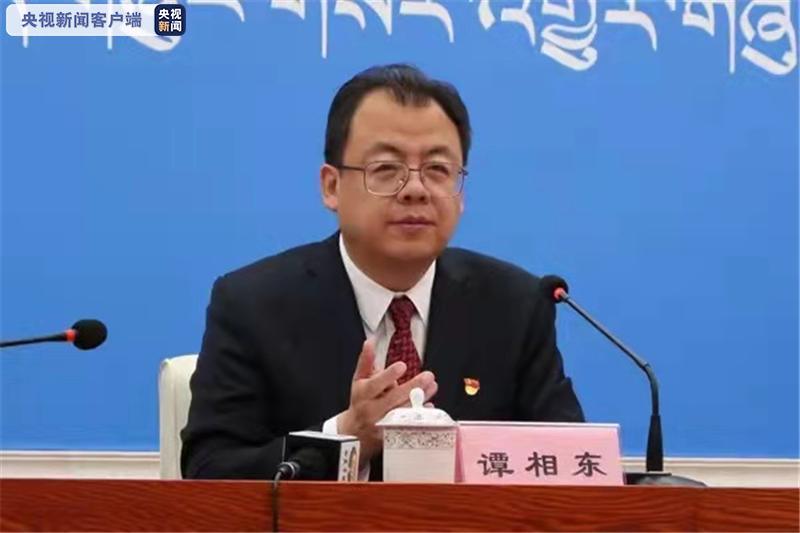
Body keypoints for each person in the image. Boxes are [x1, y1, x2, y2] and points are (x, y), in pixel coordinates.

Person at [181, 64, 584, 480]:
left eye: (438, 170)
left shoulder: (515, 306)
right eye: (386, 169)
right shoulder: (253, 305)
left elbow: (573, 469)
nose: (415, 190)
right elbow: (209, 471)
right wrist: (344, 436)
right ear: (332, 187)